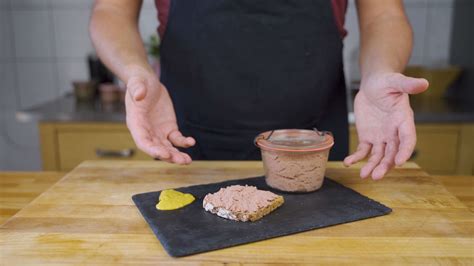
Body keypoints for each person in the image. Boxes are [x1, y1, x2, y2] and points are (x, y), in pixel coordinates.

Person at [89, 0, 428, 180]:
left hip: (311, 140)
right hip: (188, 139)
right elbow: (111, 10)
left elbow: (383, 15)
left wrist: (380, 72)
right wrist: (135, 71)